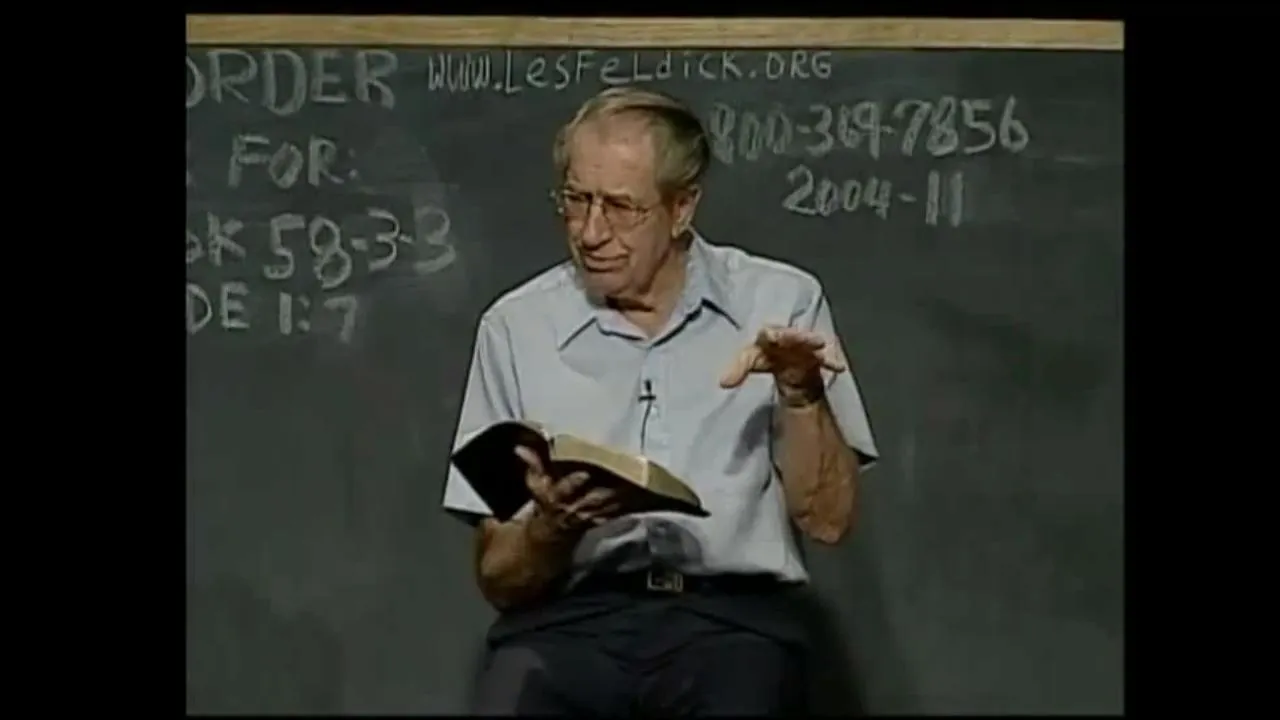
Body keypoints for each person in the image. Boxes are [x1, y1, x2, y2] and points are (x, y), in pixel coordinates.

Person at [441, 85, 879, 716]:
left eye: (621, 207)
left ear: (682, 208)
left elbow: (829, 522)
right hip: (568, 624)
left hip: (732, 624)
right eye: (576, 200)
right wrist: (550, 528)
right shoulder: (515, 328)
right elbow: (499, 581)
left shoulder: (780, 304)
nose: (590, 232)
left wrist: (802, 394)